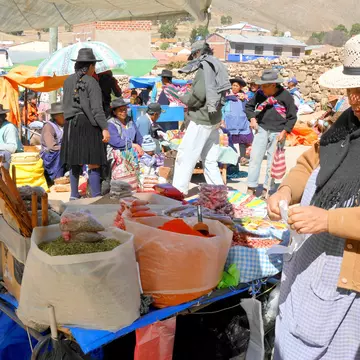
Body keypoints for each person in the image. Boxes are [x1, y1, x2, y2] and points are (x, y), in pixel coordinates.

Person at [268, 35, 360, 360]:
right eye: (352, 90)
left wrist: (327, 219)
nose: (357, 98)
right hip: (311, 264)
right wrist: (286, 191)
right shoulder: (342, 128)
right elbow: (309, 162)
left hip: (348, 280)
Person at [172, 40, 231, 195]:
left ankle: (179, 191)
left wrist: (183, 98)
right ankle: (218, 191)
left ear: (198, 53)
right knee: (210, 159)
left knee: (185, 156)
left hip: (201, 119)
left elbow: (198, 95)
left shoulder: (205, 68)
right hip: (214, 119)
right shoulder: (217, 64)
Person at [61, 48, 110, 200]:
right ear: (90, 66)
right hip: (88, 123)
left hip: (70, 123)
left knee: (75, 161)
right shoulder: (91, 82)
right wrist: (104, 128)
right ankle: (95, 196)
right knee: (94, 160)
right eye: (94, 66)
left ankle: (74, 195)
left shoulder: (67, 81)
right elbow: (96, 109)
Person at [245, 69, 297, 198]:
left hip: (278, 132)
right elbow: (249, 106)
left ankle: (267, 190)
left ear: (273, 85)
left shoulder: (286, 96)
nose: (262, 88)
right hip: (262, 128)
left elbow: (292, 117)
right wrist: (252, 118)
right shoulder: (260, 94)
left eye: (264, 86)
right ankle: (251, 188)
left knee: (271, 163)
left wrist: (285, 131)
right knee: (255, 159)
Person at [222, 77, 253, 169]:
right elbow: (222, 109)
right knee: (229, 141)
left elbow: (248, 109)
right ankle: (231, 159)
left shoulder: (244, 97)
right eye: (233, 85)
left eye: (236, 86)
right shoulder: (226, 96)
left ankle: (242, 157)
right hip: (230, 122)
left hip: (242, 121)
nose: (234, 87)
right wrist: (222, 120)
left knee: (242, 140)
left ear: (240, 87)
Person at [40, 102, 65, 184]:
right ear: (58, 117)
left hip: (59, 151)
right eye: (63, 116)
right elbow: (52, 147)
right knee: (61, 153)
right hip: (50, 156)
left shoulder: (61, 126)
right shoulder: (49, 127)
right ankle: (57, 178)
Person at [0, 104, 23, 169]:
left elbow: (12, 148)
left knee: (5, 154)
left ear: (1, 117)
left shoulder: (9, 127)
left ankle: (4, 178)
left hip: (14, 156)